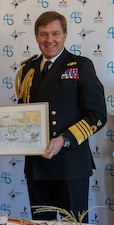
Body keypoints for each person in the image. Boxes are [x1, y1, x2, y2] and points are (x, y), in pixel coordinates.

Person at [15, 11, 107, 222]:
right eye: (43, 34)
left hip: (70, 165)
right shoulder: (27, 70)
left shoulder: (81, 66)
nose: (49, 40)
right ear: (36, 36)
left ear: (65, 35)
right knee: (41, 222)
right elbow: (23, 115)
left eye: (55, 33)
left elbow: (97, 115)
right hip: (37, 166)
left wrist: (64, 139)